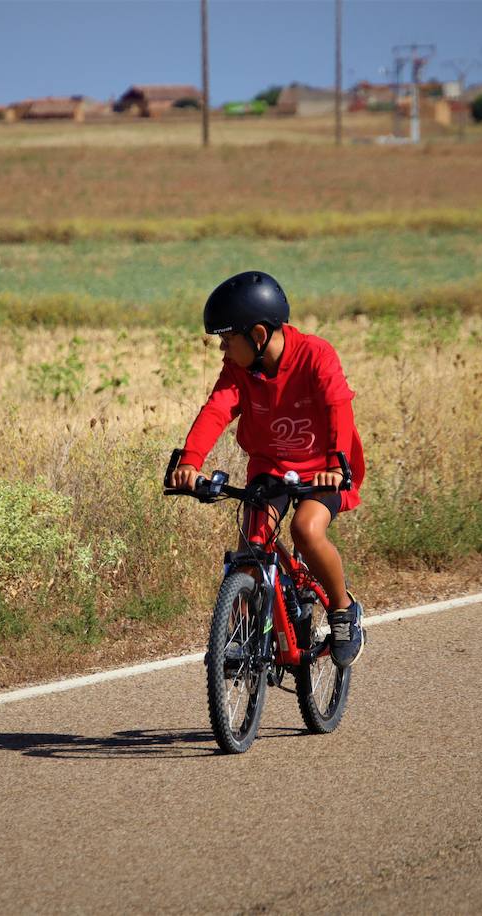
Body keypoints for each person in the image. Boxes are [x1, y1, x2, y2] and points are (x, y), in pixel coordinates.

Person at [168, 270, 367, 668]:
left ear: (258, 335)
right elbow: (217, 409)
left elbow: (337, 407)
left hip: (323, 468)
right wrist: (189, 462)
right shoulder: (240, 370)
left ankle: (344, 611)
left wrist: (333, 462)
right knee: (251, 546)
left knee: (305, 530)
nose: (223, 351)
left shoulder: (315, 354)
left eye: (227, 341)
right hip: (270, 466)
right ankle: (242, 634)